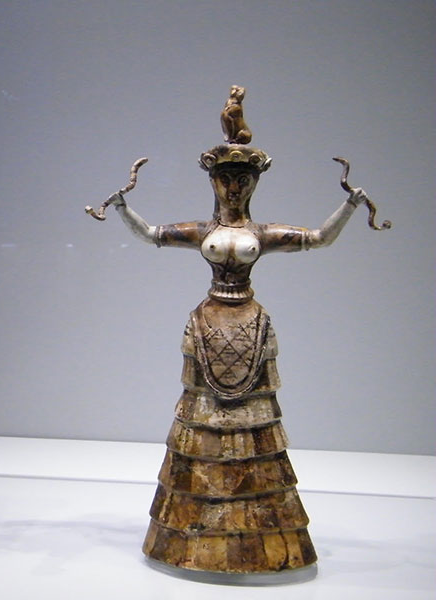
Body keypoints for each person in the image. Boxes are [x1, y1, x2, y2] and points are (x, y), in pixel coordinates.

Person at [100, 88, 371, 574]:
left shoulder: (262, 233)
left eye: (242, 180)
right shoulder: (202, 231)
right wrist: (121, 206)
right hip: (208, 321)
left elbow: (319, 238)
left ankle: (259, 540)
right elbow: (151, 234)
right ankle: (192, 541)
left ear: (253, 184)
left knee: (254, 419)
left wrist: (351, 205)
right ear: (213, 182)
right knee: (201, 415)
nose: (233, 188)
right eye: (225, 179)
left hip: (249, 321)